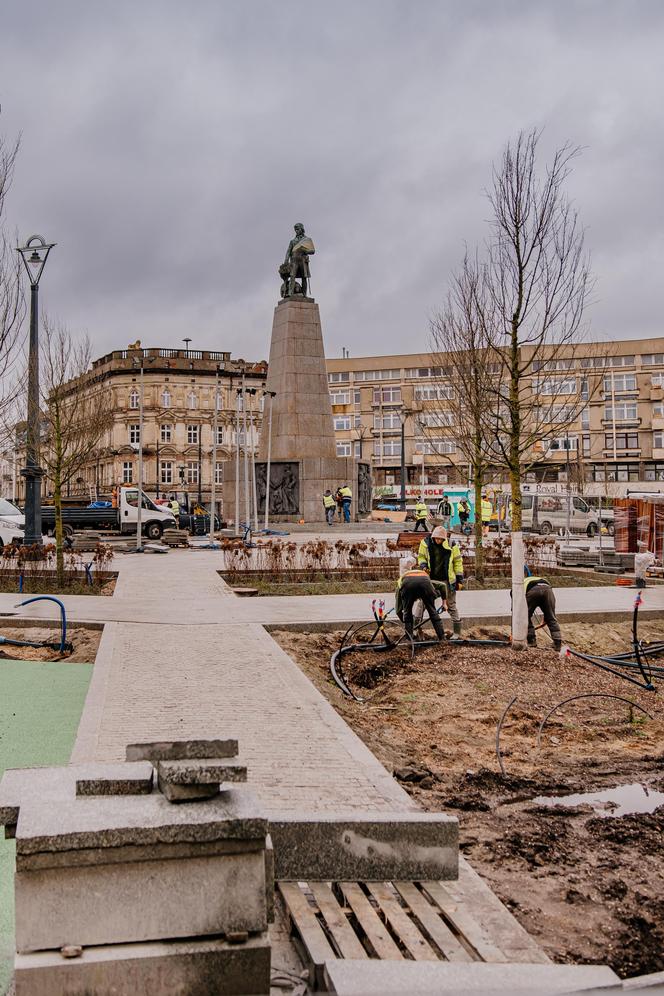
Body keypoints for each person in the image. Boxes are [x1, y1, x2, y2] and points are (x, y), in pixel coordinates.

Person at [417, 525, 464, 639]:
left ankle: (457, 632)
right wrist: (423, 565)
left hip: (447, 581)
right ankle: (415, 628)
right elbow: (421, 557)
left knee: (451, 605)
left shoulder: (452, 546)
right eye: (436, 538)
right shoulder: (425, 543)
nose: (438, 541)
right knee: (422, 603)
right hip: (431, 580)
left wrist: (459, 580)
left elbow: (457, 563)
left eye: (440, 539)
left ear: (444, 538)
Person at [395, 566, 446, 642]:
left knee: (407, 612)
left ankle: (409, 641)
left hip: (407, 584)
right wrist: (444, 603)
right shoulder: (423, 576)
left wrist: (406, 622)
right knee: (433, 612)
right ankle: (442, 639)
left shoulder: (400, 584)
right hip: (425, 582)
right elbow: (443, 585)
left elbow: (398, 610)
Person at [525, 570, 562, 651]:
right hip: (547, 589)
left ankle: (531, 640)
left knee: (524, 617)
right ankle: (557, 643)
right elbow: (550, 610)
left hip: (532, 591)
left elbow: (517, 610)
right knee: (551, 617)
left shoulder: (516, 587)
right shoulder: (530, 580)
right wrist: (547, 617)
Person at [283, 223, 315, 298]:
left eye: (298, 229)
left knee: (304, 277)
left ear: (302, 229)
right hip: (294, 260)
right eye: (295, 230)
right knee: (292, 276)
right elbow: (288, 252)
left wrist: (306, 251)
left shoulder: (307, 240)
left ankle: (304, 294)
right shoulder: (292, 241)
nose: (296, 231)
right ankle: (290, 293)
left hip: (303, 260)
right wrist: (286, 261)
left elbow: (313, 251)